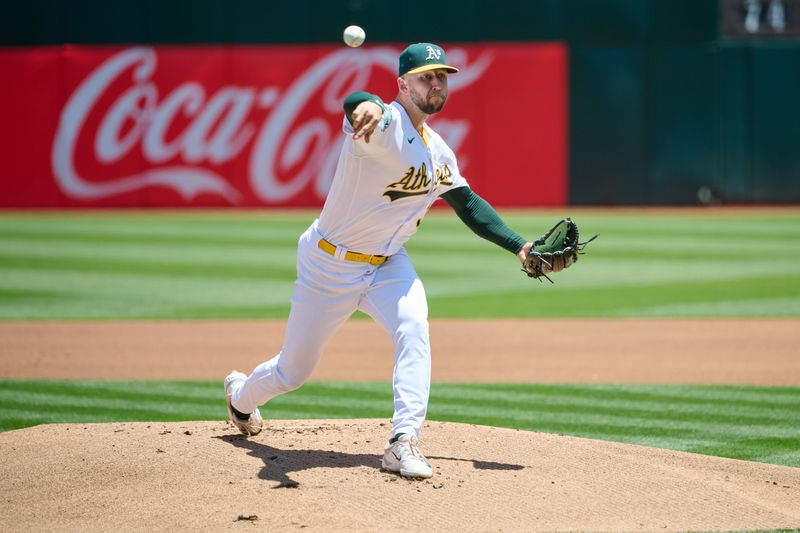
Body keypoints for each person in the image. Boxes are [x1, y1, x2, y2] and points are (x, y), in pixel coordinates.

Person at [224, 43, 534, 479]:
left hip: (389, 264)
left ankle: (402, 441)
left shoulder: (438, 150)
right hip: (329, 265)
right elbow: (359, 105)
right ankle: (240, 396)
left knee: (413, 328)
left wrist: (521, 247)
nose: (437, 83)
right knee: (292, 371)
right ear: (403, 84)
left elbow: (468, 205)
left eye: (442, 76)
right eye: (427, 76)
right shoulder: (382, 126)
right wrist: (363, 107)